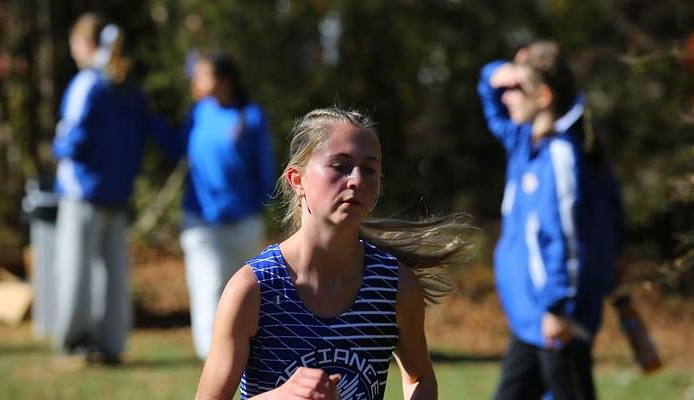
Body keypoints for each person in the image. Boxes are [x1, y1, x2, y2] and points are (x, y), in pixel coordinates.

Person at [193, 107, 474, 400]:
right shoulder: (253, 289)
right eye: (340, 166)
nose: (356, 180)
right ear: (296, 180)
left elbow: (421, 378)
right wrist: (282, 397)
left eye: (369, 169)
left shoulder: (394, 286)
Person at [477, 41, 624, 399]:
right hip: (530, 321)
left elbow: (570, 241)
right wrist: (494, 73)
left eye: (517, 89)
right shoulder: (523, 141)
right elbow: (493, 104)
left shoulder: (561, 155)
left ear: (543, 97)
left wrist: (559, 308)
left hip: (557, 321)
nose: (508, 96)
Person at [155, 51, 277, 360]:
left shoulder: (250, 116)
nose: (195, 82)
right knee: (207, 285)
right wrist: (149, 116)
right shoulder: (197, 113)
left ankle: (251, 352)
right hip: (200, 220)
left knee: (248, 290)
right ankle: (212, 357)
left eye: (202, 75)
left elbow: (264, 167)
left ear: (224, 80)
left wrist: (264, 207)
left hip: (243, 219)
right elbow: (174, 148)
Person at [51, 13, 148, 365]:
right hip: (117, 192)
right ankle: (111, 342)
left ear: (87, 44)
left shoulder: (87, 83)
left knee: (75, 267)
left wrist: (56, 151)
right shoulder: (126, 84)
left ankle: (75, 342)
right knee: (113, 272)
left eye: (75, 44)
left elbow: (72, 138)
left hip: (82, 191)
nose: (74, 52)